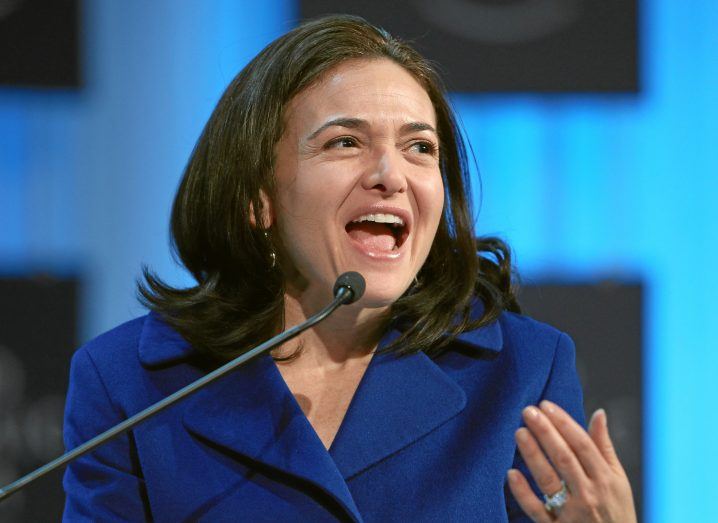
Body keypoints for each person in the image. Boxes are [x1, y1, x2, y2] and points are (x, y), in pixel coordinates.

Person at [62, 14, 636, 522]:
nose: (392, 173)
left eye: (420, 148)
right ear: (257, 197)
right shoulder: (129, 385)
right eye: (344, 142)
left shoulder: (522, 373)